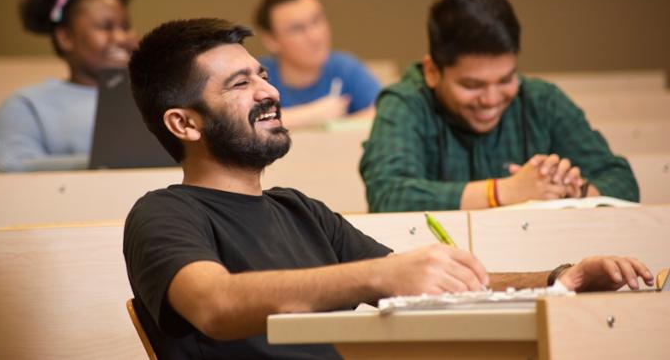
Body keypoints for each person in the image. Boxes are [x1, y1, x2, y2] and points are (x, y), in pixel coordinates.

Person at [123, 18, 653, 359]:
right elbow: (213, 304)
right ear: (183, 124)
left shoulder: (298, 209)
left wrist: (563, 278)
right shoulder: (165, 214)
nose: (270, 91)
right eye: (241, 84)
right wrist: (380, 274)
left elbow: (418, 283)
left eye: (262, 74)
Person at [360, 0, 639, 213]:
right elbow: (388, 195)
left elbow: (623, 184)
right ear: (433, 71)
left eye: (506, 80)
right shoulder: (404, 103)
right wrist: (507, 191)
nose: (491, 99)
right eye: (472, 85)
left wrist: (569, 190)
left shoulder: (542, 101)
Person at [0, 0, 137, 172]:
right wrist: (103, 165)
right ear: (65, 38)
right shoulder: (26, 105)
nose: (122, 38)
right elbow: (9, 167)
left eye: (126, 27)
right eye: (106, 27)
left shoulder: (156, 100)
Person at [254, 0, 381, 128]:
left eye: (317, 20)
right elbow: (245, 123)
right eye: (297, 29)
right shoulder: (257, 76)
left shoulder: (345, 68)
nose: (315, 36)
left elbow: (384, 114)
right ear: (271, 40)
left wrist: (334, 124)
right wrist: (316, 114)